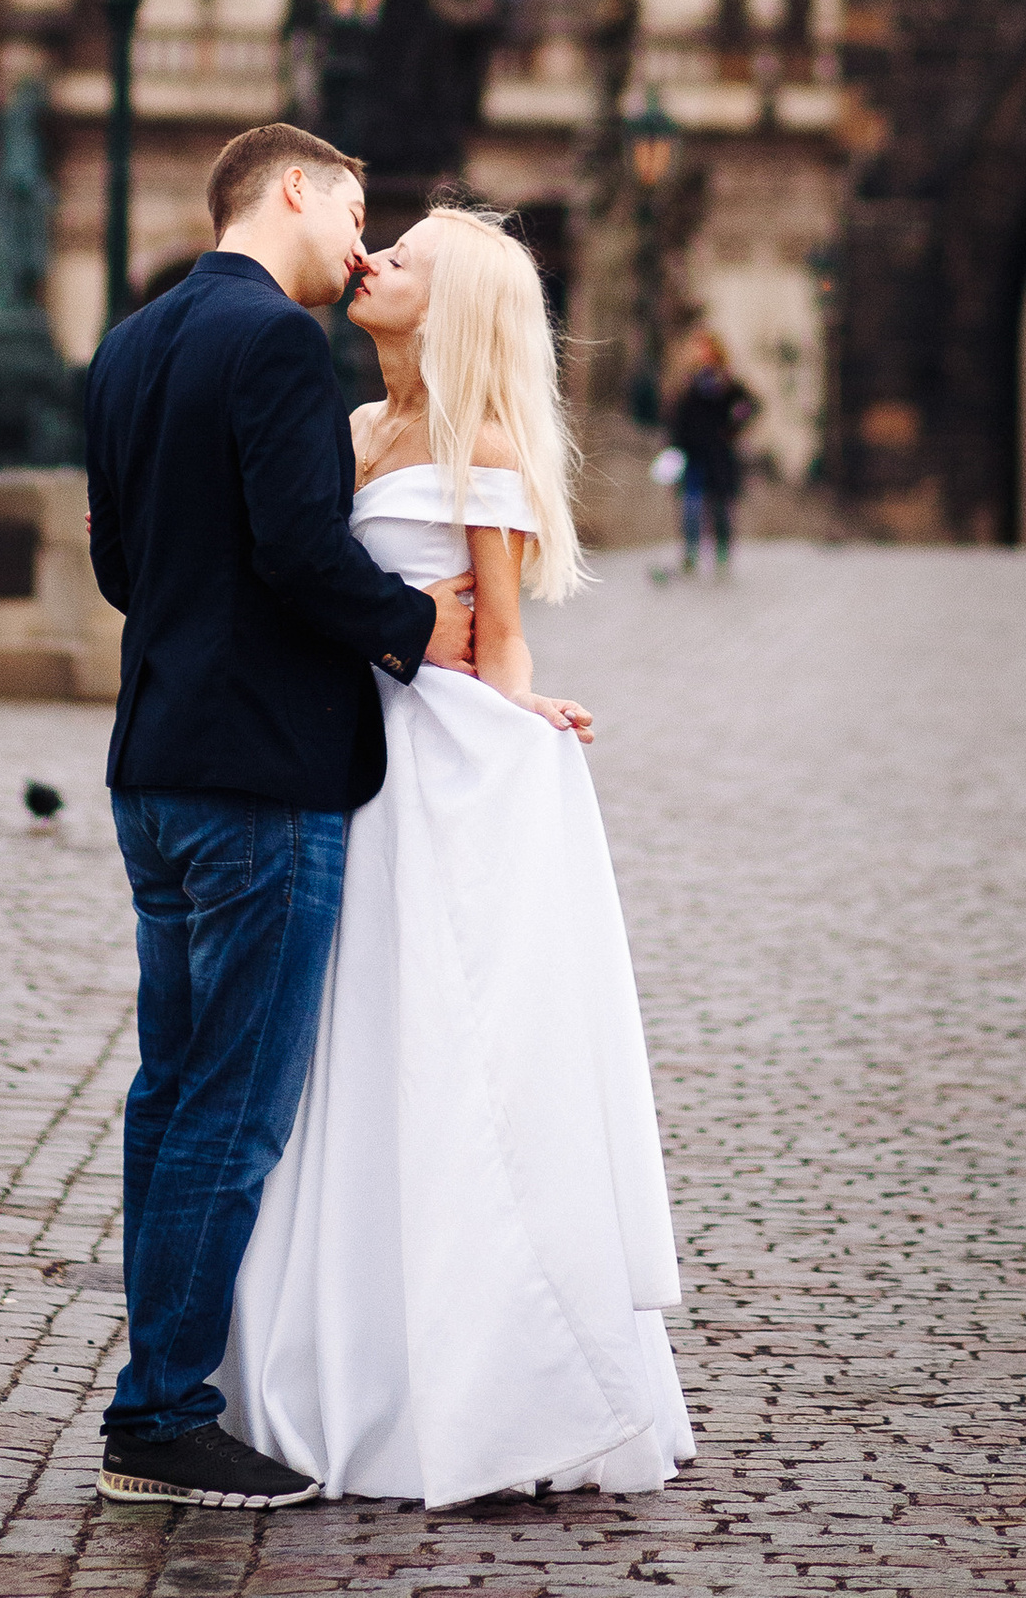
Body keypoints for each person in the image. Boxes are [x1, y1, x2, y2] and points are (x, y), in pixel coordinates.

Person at [220, 204, 694, 1510]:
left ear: (453, 306)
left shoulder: (481, 442)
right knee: (344, 1049)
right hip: (341, 753)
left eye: (404, 257)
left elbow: (500, 634)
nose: (371, 261)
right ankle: (343, 1357)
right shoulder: (351, 428)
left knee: (439, 1041)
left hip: (434, 766)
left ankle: (483, 1379)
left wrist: (522, 707)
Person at [82, 123, 476, 1515]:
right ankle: (161, 1417)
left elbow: (121, 566)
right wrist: (417, 625)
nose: (362, 244)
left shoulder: (128, 343)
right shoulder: (274, 345)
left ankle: (162, 1392)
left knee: (170, 1093)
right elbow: (303, 553)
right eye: (356, 211)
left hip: (154, 767)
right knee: (233, 1111)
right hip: (258, 779)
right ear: (294, 190)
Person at [664, 328, 758, 577]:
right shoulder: (687, 383)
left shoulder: (725, 383)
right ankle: (690, 554)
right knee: (691, 507)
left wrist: (732, 429)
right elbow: (676, 417)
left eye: (706, 349)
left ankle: (722, 555)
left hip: (718, 456)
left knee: (719, 509)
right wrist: (676, 446)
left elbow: (751, 405)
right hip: (692, 456)